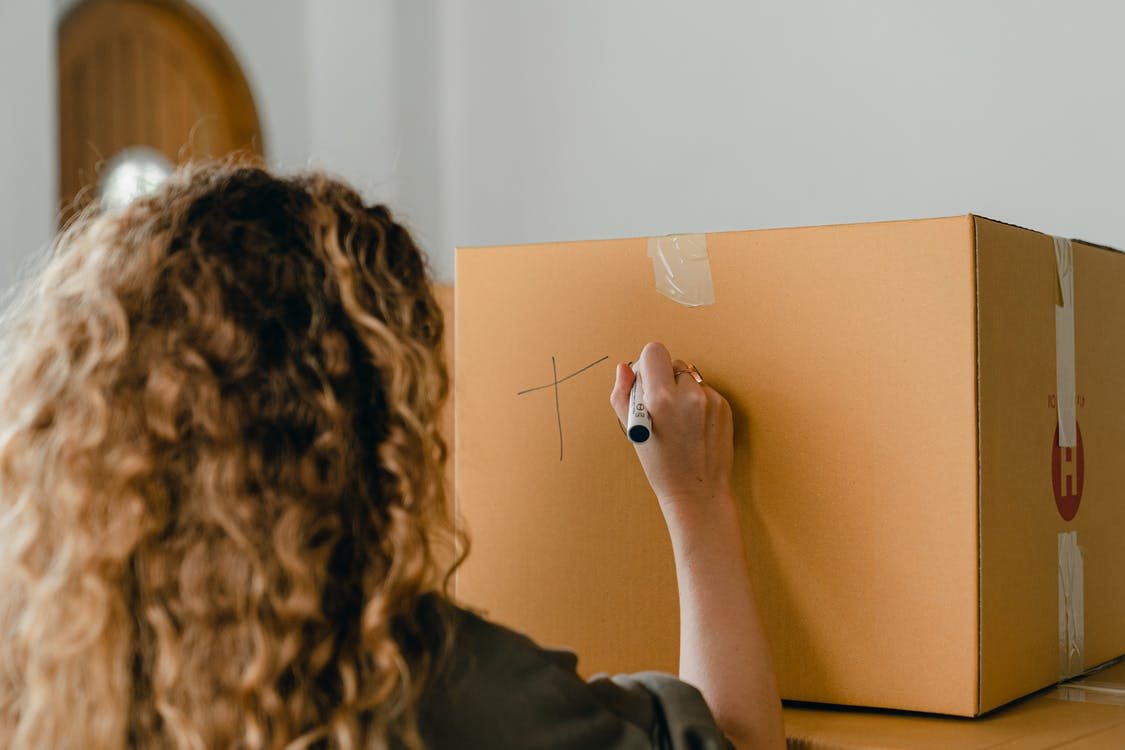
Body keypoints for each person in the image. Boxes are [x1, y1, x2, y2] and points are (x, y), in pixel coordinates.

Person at [0, 160, 784, 749]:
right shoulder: (418, 681)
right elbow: (733, 741)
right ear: (366, 426)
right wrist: (696, 500)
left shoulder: (46, 652)